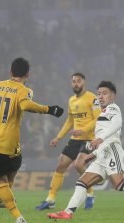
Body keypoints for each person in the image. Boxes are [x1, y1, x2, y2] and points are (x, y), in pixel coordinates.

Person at [47, 81, 124, 220]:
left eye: (105, 93)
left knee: (120, 185)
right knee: (82, 183)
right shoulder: (102, 114)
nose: (100, 97)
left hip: (113, 150)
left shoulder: (113, 108)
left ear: (113, 96)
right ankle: (68, 212)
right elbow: (103, 139)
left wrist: (100, 139)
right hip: (102, 154)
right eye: (99, 94)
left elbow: (117, 124)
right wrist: (92, 154)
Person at [0, 57, 64, 223]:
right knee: (11, 171)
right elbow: (25, 105)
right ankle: (17, 215)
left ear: (10, 72)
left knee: (1, 180)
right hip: (10, 144)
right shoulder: (24, 90)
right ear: (28, 74)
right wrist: (49, 109)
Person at [35, 73, 101, 210]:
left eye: (79, 81)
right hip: (75, 139)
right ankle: (51, 200)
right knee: (61, 166)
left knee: (78, 164)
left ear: (84, 82)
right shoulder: (71, 100)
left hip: (89, 138)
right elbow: (70, 121)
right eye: (73, 81)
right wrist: (58, 137)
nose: (76, 84)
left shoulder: (92, 98)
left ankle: (90, 194)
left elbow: (98, 118)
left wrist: (83, 130)